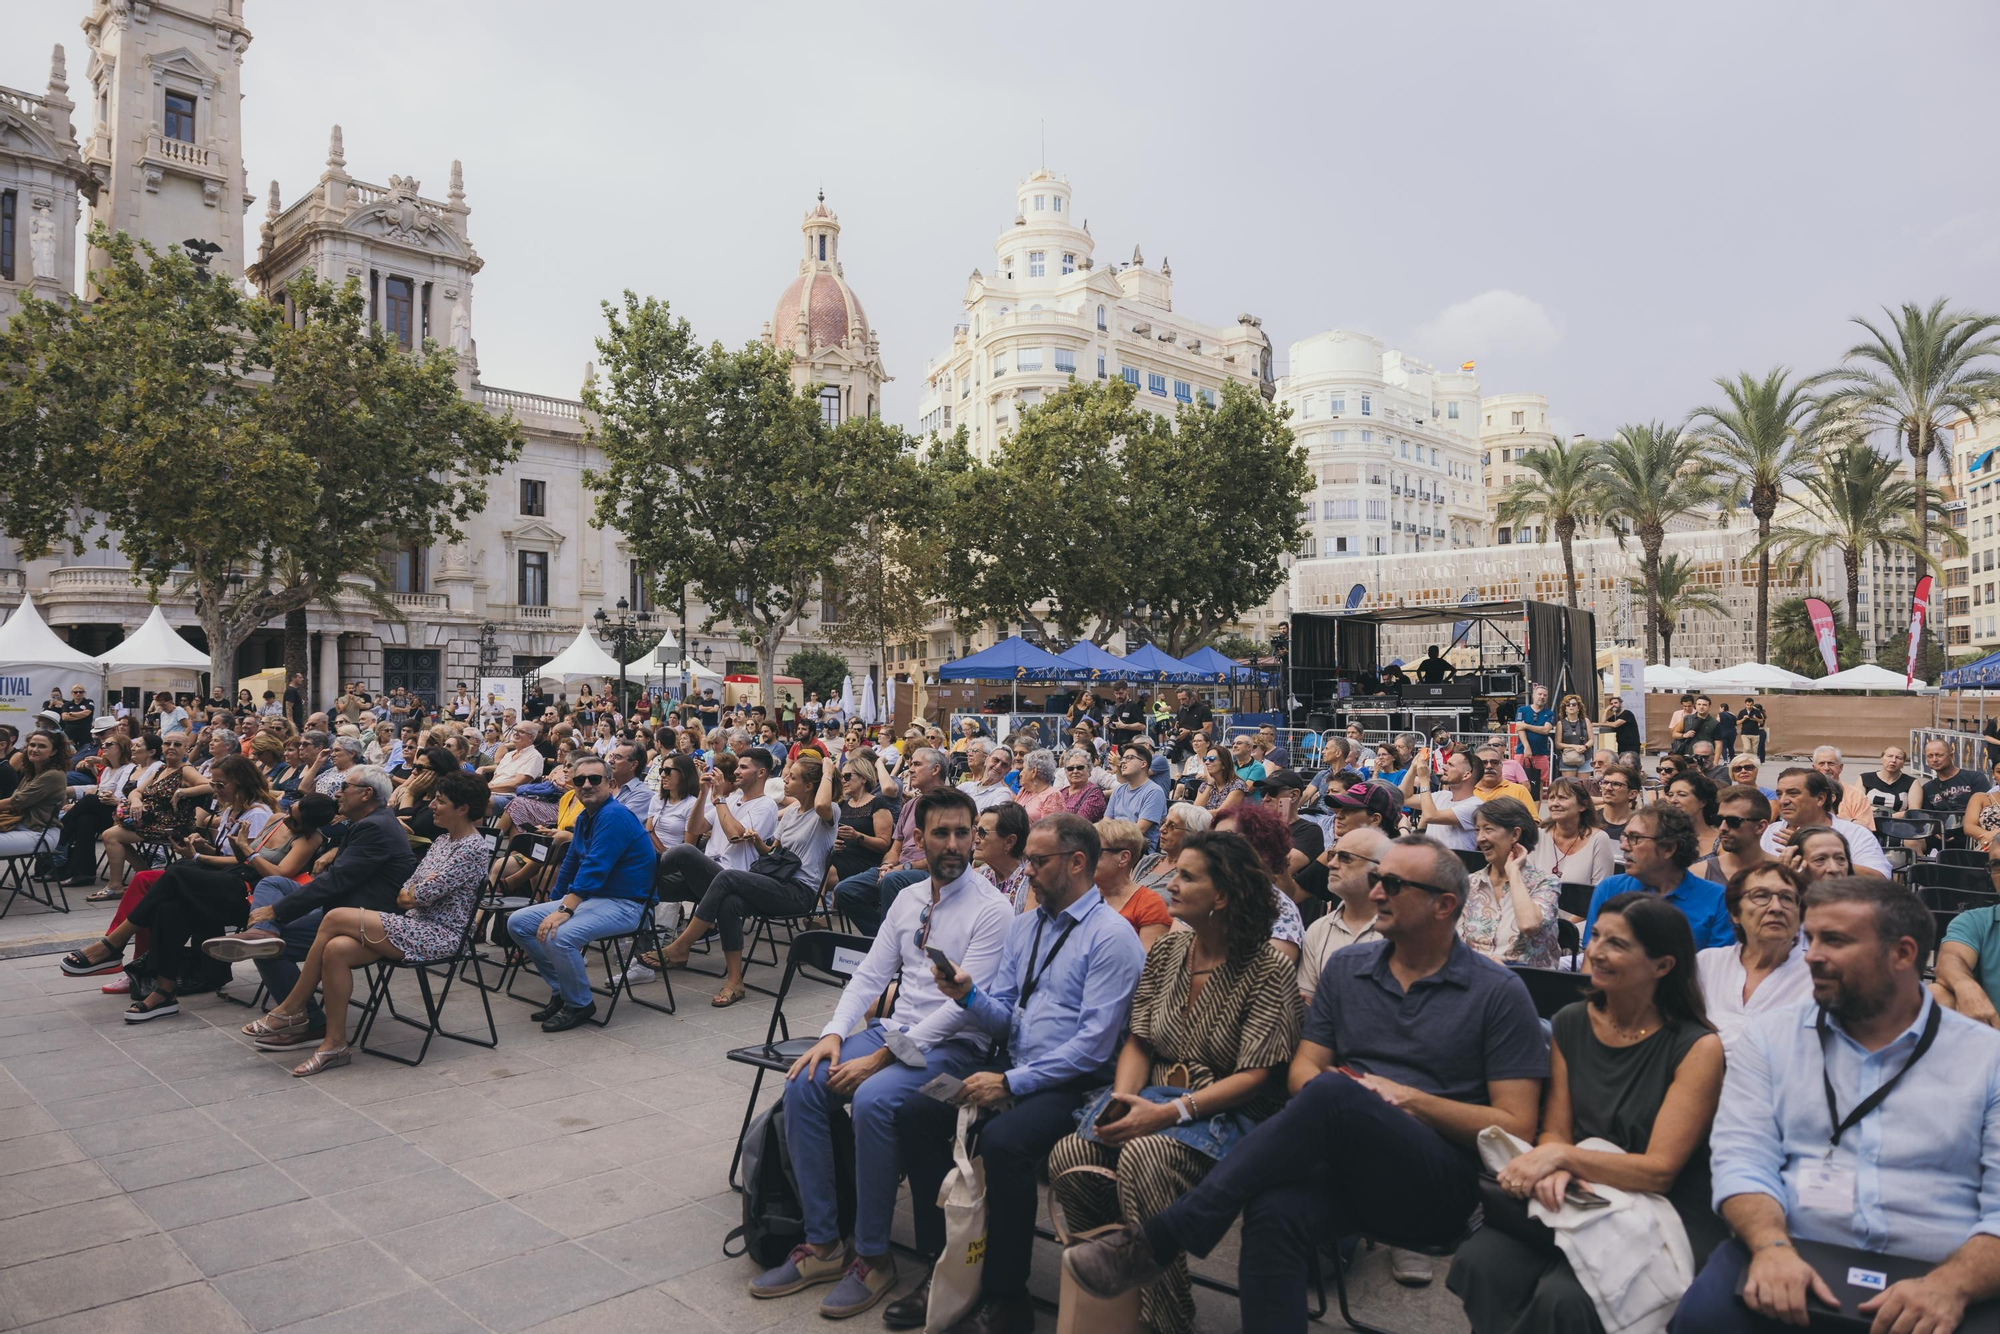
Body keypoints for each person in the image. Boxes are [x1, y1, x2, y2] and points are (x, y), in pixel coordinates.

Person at [1060, 835, 1547, 1329]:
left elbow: (1515, 1125)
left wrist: (1404, 1100)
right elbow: (1302, 1073)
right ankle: (1157, 1268)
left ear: (1445, 905)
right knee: (1275, 1212)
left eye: (1393, 884)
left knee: (1336, 1092)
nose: (1376, 893)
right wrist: (1354, 1099)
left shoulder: (1497, 992)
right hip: (1342, 1164)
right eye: (1376, 880)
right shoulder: (1348, 969)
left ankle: (1160, 1239)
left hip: (1435, 1183)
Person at [1671, 876, 2000, 1334]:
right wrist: (1770, 1248)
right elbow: (1743, 1160)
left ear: (1904, 954)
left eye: (1835, 941)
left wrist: (1954, 1285)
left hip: (1941, 1269)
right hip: (1792, 1247)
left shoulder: (1988, 1058)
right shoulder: (1770, 1039)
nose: (1811, 955)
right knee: (1702, 1318)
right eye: (1811, 938)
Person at [750, 788, 1012, 1319]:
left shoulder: (993, 909)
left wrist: (881, 1059)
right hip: (893, 1031)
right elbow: (869, 974)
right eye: (943, 832)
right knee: (804, 1084)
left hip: (953, 1048)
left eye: (966, 833)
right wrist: (832, 1034)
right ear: (920, 839)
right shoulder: (909, 897)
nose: (956, 843)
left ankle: (872, 1257)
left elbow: (962, 1011)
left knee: (873, 1100)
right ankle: (824, 1244)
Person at [888, 813, 1149, 1332]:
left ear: (1077, 863)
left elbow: (1094, 1050)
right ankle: (943, 1268)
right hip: (1015, 1063)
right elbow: (1008, 1016)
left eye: (1037, 860)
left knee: (1006, 1142)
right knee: (917, 1111)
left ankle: (1008, 1297)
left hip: (1073, 1084)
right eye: (1027, 859)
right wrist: (969, 996)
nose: (1026, 869)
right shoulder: (1028, 924)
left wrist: (1009, 1083)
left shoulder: (1111, 938)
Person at [1045, 830, 1301, 1334]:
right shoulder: (1168, 952)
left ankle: (1169, 1318)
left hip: (1228, 1116)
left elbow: (1257, 1075)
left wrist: (1167, 1113)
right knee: (1071, 1156)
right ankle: (1118, 1294)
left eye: (1186, 876)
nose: (1170, 885)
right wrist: (1123, 1101)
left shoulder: (1267, 967)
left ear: (1223, 895)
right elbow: (1139, 1040)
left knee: (1147, 1156)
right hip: (1154, 1097)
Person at [1450, 892, 1727, 1333]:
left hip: (1664, 1202)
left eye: (1617, 944)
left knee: (1566, 1300)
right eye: (1596, 936)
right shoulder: (1572, 1022)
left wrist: (1561, 1159)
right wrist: (1557, 1160)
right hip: (1582, 1189)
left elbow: (1659, 1171)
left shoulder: (1697, 1046)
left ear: (1663, 966)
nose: (1595, 951)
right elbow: (1557, 1131)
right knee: (1482, 1264)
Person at [245, 771, 491, 1074]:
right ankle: (334, 1044)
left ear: (462, 808)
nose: (433, 808)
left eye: (440, 802)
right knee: (336, 949)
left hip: (439, 935)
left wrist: (416, 892)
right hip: (411, 925)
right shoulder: (442, 841)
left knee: (334, 918)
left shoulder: (473, 848)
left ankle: (292, 1008)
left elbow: (419, 894)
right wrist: (416, 892)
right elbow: (409, 889)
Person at [202, 766, 416, 1037]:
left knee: (269, 950)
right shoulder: (372, 821)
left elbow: (336, 882)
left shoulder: (375, 826)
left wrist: (278, 909)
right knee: (273, 883)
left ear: (366, 794)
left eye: (345, 788)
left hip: (363, 918)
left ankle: (310, 1022)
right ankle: (264, 931)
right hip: (343, 905)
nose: (338, 793)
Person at [651, 753, 837, 1007]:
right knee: (730, 902)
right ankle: (735, 981)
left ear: (808, 786)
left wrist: (828, 770)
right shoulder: (791, 814)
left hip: (801, 891)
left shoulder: (826, 813)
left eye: (792, 777)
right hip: (775, 881)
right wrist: (760, 843)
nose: (784, 779)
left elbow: (824, 805)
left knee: (723, 876)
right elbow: (775, 855)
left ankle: (681, 945)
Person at [502, 754, 655, 1030]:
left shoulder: (614, 815)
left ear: (609, 784)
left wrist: (563, 910)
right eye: (579, 780)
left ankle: (580, 1003)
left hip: (628, 903)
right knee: (519, 922)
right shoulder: (586, 816)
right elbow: (572, 861)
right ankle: (563, 991)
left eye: (594, 779)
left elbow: (595, 868)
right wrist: (555, 902)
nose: (586, 784)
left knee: (558, 935)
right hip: (595, 900)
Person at [1696, 862, 1812, 1060]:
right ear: (1735, 913)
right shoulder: (1706, 964)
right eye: (1761, 896)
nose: (1776, 908)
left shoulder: (1817, 978)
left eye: (1787, 898)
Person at [1584, 804, 1734, 950]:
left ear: (1668, 848)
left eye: (1635, 838)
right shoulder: (1610, 889)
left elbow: (1717, 969)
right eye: (1624, 836)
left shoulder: (1717, 900)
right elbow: (1590, 959)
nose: (1623, 846)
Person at [830, 746, 945, 935]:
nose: (910, 769)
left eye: (916, 764)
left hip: (930, 873)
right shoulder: (910, 805)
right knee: (845, 890)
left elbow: (943, 857)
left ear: (935, 769)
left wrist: (901, 868)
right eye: (910, 764)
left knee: (891, 880)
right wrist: (887, 865)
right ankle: (883, 938)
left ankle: (888, 946)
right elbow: (894, 848)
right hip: (897, 869)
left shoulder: (951, 805)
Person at [1462, 796, 1561, 967]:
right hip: (1475, 979)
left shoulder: (1545, 883)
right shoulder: (1469, 884)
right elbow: (1453, 945)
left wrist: (1514, 872)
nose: (1480, 838)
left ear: (1515, 834)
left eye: (1488, 829)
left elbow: (1529, 925)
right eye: (1477, 830)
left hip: (1527, 985)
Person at [1296, 824, 1392, 999]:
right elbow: (1307, 1001)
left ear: (1379, 869)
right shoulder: (1318, 930)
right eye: (1332, 855)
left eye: (1345, 858)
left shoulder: (1405, 931)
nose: (1331, 863)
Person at [1758, 766, 1892, 877]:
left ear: (1820, 798)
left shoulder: (1854, 833)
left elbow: (1880, 879)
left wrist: (1814, 852)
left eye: (1793, 793)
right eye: (1780, 794)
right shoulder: (1769, 832)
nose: (1783, 801)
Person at [1935, 840, 2000, 1028]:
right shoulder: (1975, 921)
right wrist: (1965, 985)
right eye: (1997, 865)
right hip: (1991, 1038)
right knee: (1938, 994)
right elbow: (1951, 959)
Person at [1094, 818, 1172, 948]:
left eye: (1096, 851)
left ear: (1123, 858)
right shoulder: (1084, 897)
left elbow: (1149, 966)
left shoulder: (1150, 906)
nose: (1087, 857)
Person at [1532, 776, 1615, 887]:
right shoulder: (1537, 836)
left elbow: (1600, 892)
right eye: (1551, 798)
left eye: (1562, 798)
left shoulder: (1598, 840)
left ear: (1582, 805)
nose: (1555, 803)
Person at [1695, 784, 1774, 886]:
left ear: (1760, 827)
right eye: (1718, 820)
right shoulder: (1699, 874)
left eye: (1733, 821)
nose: (1722, 827)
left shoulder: (1785, 872)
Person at [1135, 801, 1209, 904]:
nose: (1162, 829)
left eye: (1172, 826)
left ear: (1192, 834)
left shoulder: (1191, 874)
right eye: (1164, 823)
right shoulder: (1149, 860)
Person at [1415, 750, 1483, 851]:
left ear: (1466, 775)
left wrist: (1424, 780)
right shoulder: (1442, 795)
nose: (1444, 767)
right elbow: (1404, 797)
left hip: (1456, 864)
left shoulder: (1475, 805)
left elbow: (1431, 816)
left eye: (1450, 765)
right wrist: (1413, 767)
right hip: (1430, 863)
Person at [1106, 741, 1168, 850]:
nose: (1123, 762)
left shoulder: (1154, 792)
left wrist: (1110, 835)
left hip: (1137, 850)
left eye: (1129, 758)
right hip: (1113, 845)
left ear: (1143, 764)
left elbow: (1138, 830)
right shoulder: (1119, 790)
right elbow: (1106, 822)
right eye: (1123, 758)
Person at [1915, 736, 1992, 820]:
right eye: (1930, 756)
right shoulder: (1927, 789)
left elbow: (1988, 809)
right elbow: (1928, 819)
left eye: (1939, 755)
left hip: (1973, 829)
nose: (1934, 759)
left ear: (1951, 755)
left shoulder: (1974, 778)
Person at [974, 799, 1032, 910]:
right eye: (976, 831)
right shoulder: (977, 878)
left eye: (982, 833)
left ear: (1010, 841)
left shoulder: (1032, 885)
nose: (975, 839)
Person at [1811, 745, 1876, 832]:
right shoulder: (1804, 793)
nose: (1826, 768)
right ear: (1814, 768)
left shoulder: (1856, 796)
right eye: (1821, 764)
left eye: (1831, 763)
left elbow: (1866, 831)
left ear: (1840, 768)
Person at [1665, 769, 1722, 861]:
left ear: (1702, 801)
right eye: (1670, 795)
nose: (1673, 800)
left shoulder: (1722, 842)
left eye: (1682, 795)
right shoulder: (1662, 837)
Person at [957, 740, 1014, 812]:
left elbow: (992, 819)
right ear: (986, 760)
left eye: (1004, 765)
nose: (998, 766)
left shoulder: (1003, 793)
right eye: (996, 760)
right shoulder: (966, 787)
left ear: (1008, 771)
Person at [1517, 683, 1555, 786]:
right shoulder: (1522, 710)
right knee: (1521, 782)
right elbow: (1519, 729)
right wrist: (1527, 746)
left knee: (1539, 783)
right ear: (1533, 695)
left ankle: (1537, 802)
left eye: (1545, 695)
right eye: (1540, 694)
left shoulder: (1550, 713)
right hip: (1522, 751)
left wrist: (1526, 726)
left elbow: (1545, 730)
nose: (1542, 697)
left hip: (1541, 753)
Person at [1193, 746, 1247, 817]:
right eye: (1205, 759)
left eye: (1211, 759)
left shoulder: (1237, 785)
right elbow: (1196, 808)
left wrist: (1197, 814)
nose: (1206, 762)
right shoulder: (1205, 785)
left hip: (1227, 825)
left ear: (1224, 764)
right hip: (1205, 824)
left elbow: (1221, 812)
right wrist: (1210, 784)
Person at [1594, 764, 1641, 845]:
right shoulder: (1589, 821)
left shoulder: (1641, 826)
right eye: (1605, 783)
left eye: (1616, 784)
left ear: (1632, 794)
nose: (1608, 788)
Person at [1862, 745, 1914, 817]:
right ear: (1881, 759)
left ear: (1903, 763)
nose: (1893, 760)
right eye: (1889, 756)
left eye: (1899, 758)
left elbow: (1914, 811)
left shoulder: (1912, 782)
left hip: (1898, 824)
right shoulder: (1865, 778)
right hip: (1868, 821)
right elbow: (1857, 804)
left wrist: (1888, 817)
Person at [1596, 694, 1641, 764]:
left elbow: (1615, 724)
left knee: (1632, 765)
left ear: (1621, 704)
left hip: (1632, 746)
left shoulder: (1627, 714)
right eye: (1611, 704)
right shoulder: (1614, 717)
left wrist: (1596, 724)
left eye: (1616, 703)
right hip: (1621, 745)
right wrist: (1606, 710)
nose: (1613, 705)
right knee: (1622, 765)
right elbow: (1603, 723)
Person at [1736, 695, 1766, 760]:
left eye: (1750, 705)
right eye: (1747, 705)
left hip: (1755, 733)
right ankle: (1744, 760)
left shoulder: (1756, 711)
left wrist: (1756, 719)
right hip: (1745, 733)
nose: (1749, 706)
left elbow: (1761, 722)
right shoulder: (1742, 712)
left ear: (1753, 704)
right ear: (1745, 704)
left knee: (1754, 751)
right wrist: (1743, 719)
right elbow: (1737, 723)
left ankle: (1753, 763)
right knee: (1747, 748)